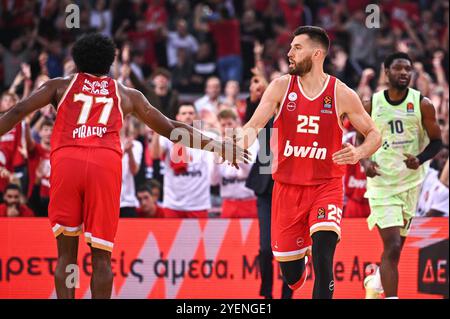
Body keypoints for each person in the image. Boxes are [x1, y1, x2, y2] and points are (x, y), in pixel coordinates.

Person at [0, 33, 248, 299]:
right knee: (102, 257)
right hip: (104, 164)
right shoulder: (126, 93)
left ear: (76, 60)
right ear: (110, 62)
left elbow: (16, 112)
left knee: (66, 255)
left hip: (66, 161)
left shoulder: (59, 85)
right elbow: (171, 128)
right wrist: (218, 145)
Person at [239, 26, 381, 299]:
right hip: (286, 189)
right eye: (290, 47)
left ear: (317, 54)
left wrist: (359, 153)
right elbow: (253, 126)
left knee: (324, 256)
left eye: (296, 48)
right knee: (292, 277)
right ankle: (297, 259)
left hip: (325, 187)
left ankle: (313, 254)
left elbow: (374, 134)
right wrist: (237, 143)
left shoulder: (341, 93)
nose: (289, 53)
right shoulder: (281, 86)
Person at [360, 52, 443, 299]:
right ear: (387, 72)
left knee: (396, 250)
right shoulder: (371, 104)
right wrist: (365, 161)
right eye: (398, 68)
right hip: (382, 184)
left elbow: (437, 143)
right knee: (393, 246)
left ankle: (375, 282)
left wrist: (420, 159)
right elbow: (359, 137)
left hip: (410, 184)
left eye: (408, 69)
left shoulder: (422, 104)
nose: (405, 73)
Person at [152, 104, 215, 218]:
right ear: (178, 117)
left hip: (198, 205)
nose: (188, 116)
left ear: (196, 117)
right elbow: (155, 155)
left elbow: (225, 142)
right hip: (173, 204)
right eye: (184, 113)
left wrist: (215, 122)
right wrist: (157, 131)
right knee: (169, 236)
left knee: (198, 237)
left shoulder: (207, 137)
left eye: (191, 113)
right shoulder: (167, 137)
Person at [211, 109, 258, 218]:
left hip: (249, 201)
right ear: (219, 126)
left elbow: (250, 172)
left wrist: (235, 154)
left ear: (236, 123)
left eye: (229, 124)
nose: (227, 128)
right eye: (223, 125)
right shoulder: (216, 144)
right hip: (228, 203)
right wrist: (215, 161)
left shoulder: (250, 140)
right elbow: (213, 181)